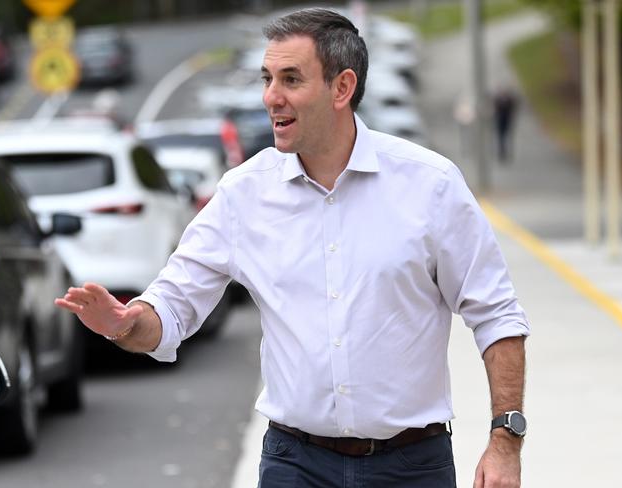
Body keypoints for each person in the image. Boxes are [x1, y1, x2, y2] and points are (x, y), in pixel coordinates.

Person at [55, 8, 529, 488]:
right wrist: (123, 325)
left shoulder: (431, 185)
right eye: (267, 78)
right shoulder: (244, 193)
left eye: (290, 79)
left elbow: (497, 315)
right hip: (295, 464)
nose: (270, 97)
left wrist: (505, 442)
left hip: (412, 465)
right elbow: (171, 309)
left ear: (342, 88)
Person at [492, 85, 519, 162]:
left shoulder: (509, 100)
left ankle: (506, 152)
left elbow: (513, 109)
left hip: (506, 122)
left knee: (506, 137)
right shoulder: (498, 100)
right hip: (499, 122)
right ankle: (501, 152)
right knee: (501, 138)